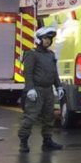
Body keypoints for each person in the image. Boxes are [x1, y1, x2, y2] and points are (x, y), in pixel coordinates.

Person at [18, 26, 65, 154]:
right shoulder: (31, 54)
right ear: (38, 39)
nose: (48, 41)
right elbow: (28, 73)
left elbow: (54, 72)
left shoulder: (51, 54)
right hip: (36, 90)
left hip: (48, 90)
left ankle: (47, 140)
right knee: (30, 117)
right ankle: (23, 142)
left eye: (50, 39)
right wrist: (30, 89)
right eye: (45, 38)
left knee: (49, 117)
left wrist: (59, 86)